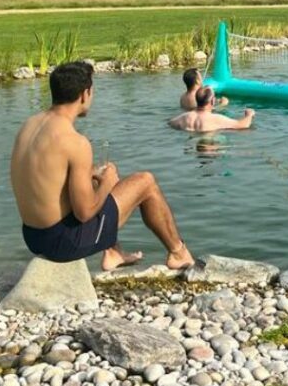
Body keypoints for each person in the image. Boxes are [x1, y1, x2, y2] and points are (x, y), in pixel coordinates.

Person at [10, 61, 194, 271]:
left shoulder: (29, 125)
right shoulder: (75, 142)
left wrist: (92, 173)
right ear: (84, 94)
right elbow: (85, 213)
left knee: (90, 180)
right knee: (145, 182)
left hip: (33, 237)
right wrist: (108, 182)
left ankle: (114, 253)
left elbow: (46, 178)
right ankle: (179, 253)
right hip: (63, 244)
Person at [168, 87, 255, 132]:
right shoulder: (217, 119)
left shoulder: (183, 117)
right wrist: (249, 115)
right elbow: (242, 125)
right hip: (210, 144)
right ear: (213, 101)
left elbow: (170, 123)